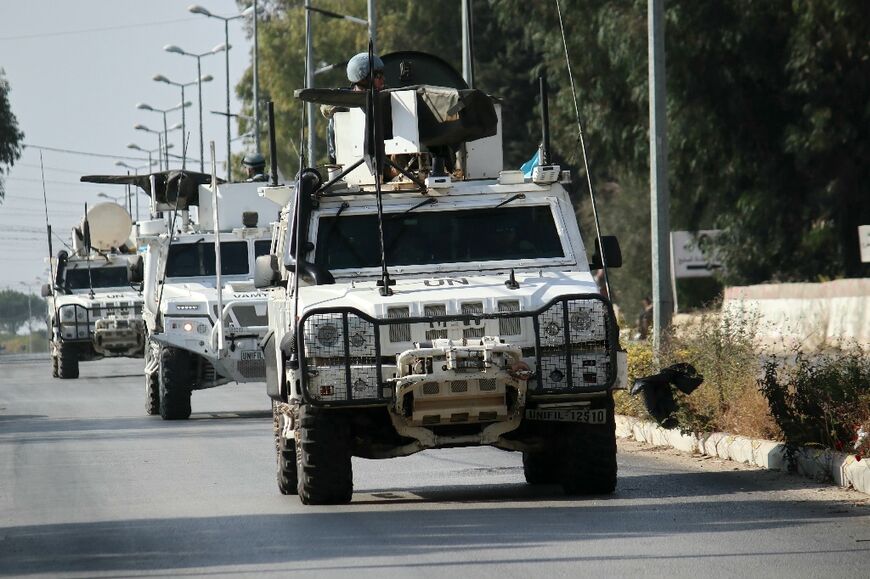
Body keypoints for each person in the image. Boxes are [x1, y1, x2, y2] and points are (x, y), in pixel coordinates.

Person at [323, 52, 385, 164]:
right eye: (378, 76)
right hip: (352, 165)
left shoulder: (387, 98)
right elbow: (334, 155)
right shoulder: (341, 106)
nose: (382, 80)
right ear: (363, 79)